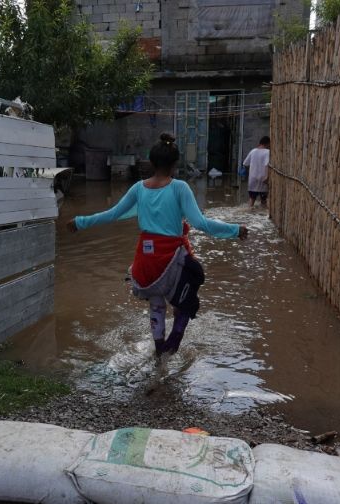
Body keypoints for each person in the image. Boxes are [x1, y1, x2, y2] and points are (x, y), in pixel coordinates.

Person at [66, 132, 247, 356]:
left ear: (151, 163)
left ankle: (158, 352)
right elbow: (200, 223)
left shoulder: (138, 188)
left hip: (145, 260)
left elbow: (112, 214)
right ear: (175, 164)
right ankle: (173, 343)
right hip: (170, 259)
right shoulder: (179, 187)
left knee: (157, 305)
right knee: (188, 295)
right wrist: (235, 230)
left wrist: (80, 222)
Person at [243, 136, 270, 208]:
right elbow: (266, 164)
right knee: (263, 201)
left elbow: (245, 163)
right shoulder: (267, 152)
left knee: (251, 200)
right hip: (263, 179)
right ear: (267, 144)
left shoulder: (253, 151)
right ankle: (260, 217)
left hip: (252, 179)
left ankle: (248, 214)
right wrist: (267, 177)